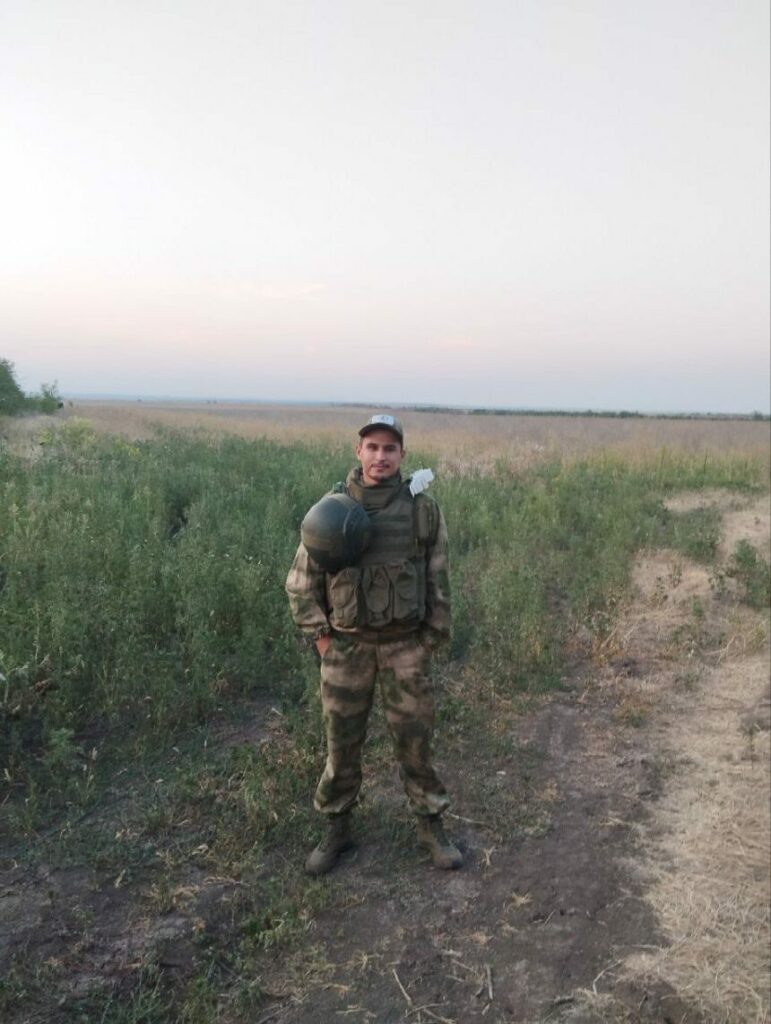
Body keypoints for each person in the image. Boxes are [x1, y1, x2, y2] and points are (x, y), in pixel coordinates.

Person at [285, 413, 462, 875]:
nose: (380, 456)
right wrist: (324, 640)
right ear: (358, 451)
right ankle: (337, 828)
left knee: (416, 743)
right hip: (347, 649)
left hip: (405, 648)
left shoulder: (423, 511)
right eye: (373, 447)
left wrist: (427, 642)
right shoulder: (331, 511)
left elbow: (438, 580)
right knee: (341, 745)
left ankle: (430, 825)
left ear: (402, 454)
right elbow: (300, 584)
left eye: (390, 448)